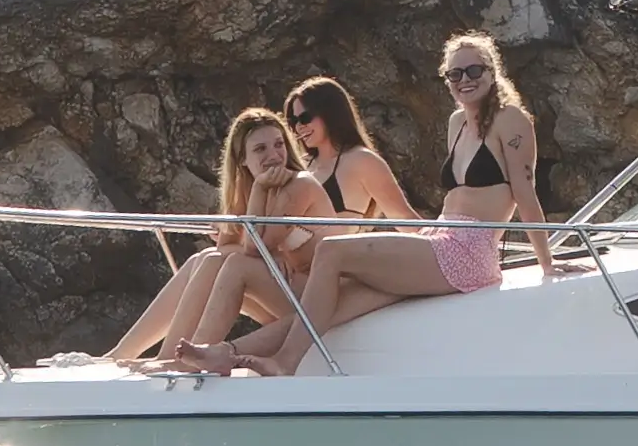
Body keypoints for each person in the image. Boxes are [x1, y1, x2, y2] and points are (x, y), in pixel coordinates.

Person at [215, 73, 451, 373]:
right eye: (293, 121)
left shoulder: (361, 161)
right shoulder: (303, 166)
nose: (298, 127)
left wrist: (441, 253)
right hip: (301, 274)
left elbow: (402, 217)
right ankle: (163, 353)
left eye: (305, 117)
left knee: (233, 266)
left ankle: (212, 356)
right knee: (209, 262)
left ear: (330, 113)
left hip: (340, 277)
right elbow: (275, 230)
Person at [109, 107, 318, 374]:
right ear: (242, 159)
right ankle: (140, 353)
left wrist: (258, 190)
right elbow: (226, 248)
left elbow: (253, 249)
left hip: (314, 295)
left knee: (236, 265)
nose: (274, 155)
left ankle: (180, 359)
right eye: (260, 149)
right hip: (284, 293)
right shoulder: (253, 190)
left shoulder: (298, 185)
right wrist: (269, 250)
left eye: (279, 145)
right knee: (207, 258)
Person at [430, 32, 548, 283]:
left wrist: (546, 263)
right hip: (438, 235)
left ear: (491, 73)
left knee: (337, 250)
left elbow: (525, 193)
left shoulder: (510, 119)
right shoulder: (456, 122)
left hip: (470, 249)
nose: (464, 79)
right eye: (455, 74)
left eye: (474, 71)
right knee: (353, 284)